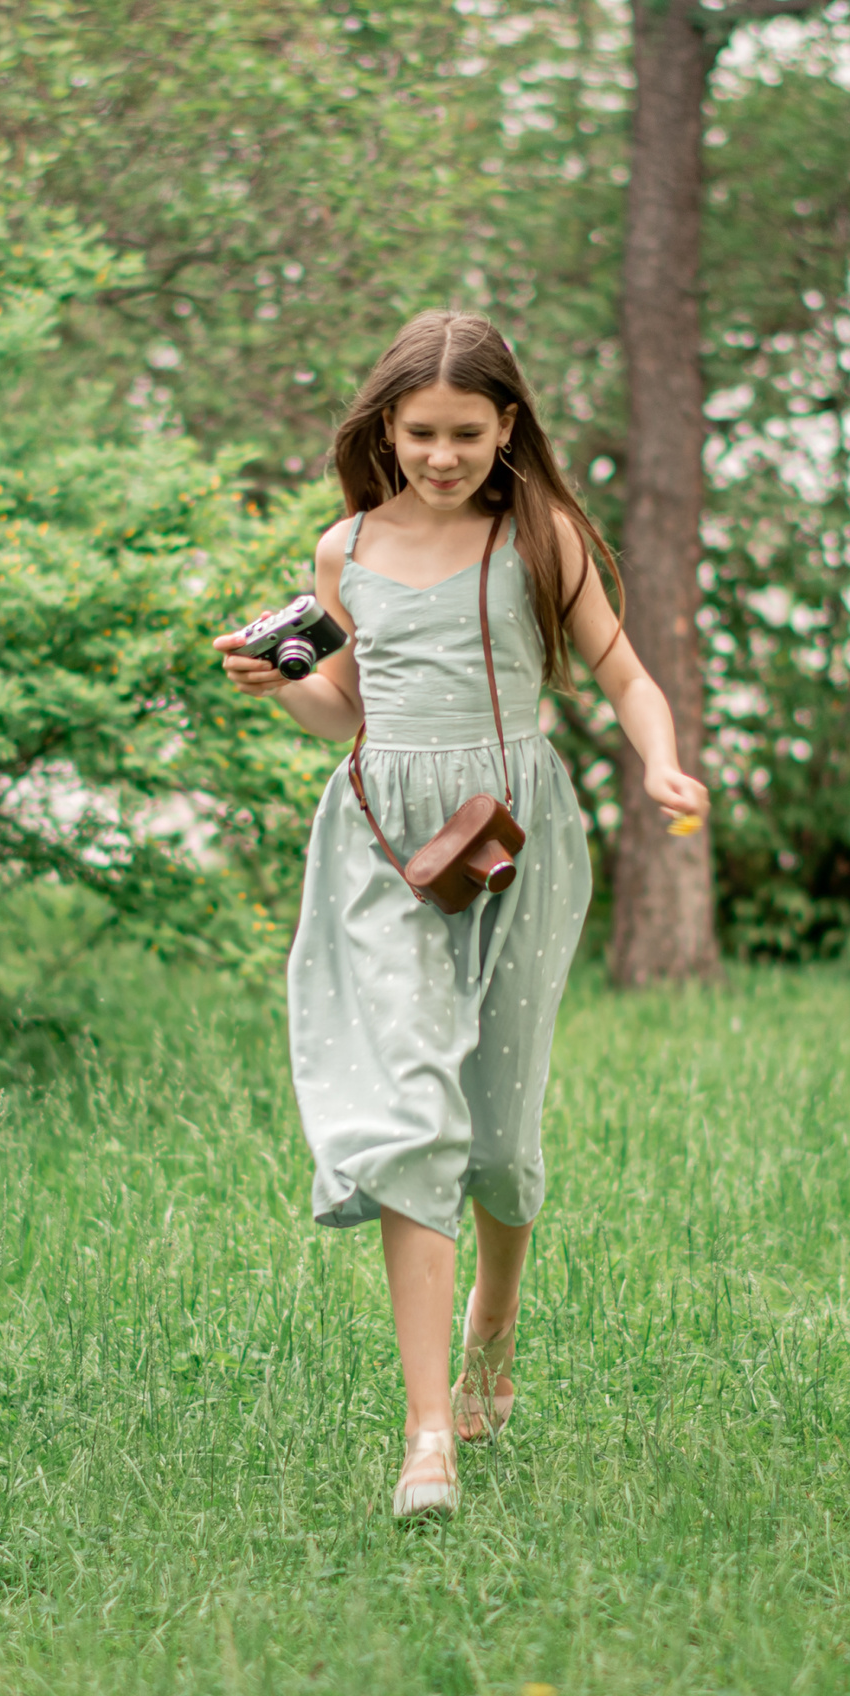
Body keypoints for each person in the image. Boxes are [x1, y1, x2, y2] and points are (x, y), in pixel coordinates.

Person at [213, 310, 709, 1520]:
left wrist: (658, 762)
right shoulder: (343, 551)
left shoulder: (539, 538)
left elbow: (627, 676)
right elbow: (349, 715)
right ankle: (426, 1432)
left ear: (508, 429)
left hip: (510, 833)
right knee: (412, 1111)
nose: (442, 455)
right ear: (385, 426)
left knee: (495, 1129)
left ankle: (499, 1308)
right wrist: (280, 685)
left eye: (467, 434)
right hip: (384, 840)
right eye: (422, 432)